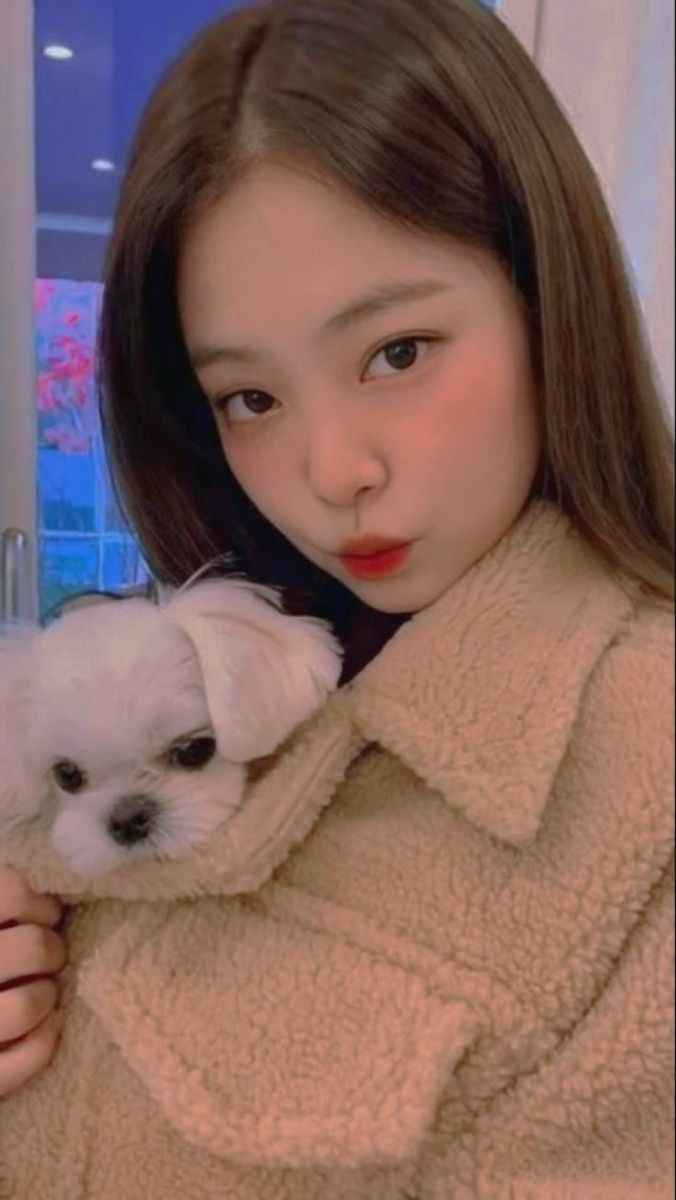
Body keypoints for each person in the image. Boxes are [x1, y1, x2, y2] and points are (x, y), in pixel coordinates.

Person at [1, 0, 673, 1194]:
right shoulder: (192, 657)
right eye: (250, 398)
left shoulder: (637, 756)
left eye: (396, 352)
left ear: (544, 299)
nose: (332, 472)